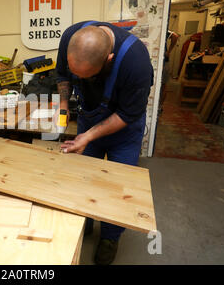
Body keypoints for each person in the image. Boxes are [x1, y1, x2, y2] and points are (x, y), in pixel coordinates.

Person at [56, 21, 153, 265]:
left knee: (116, 188)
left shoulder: (136, 62)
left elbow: (128, 114)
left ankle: (110, 237)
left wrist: (87, 137)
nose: (77, 77)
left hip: (124, 128)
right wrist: (64, 107)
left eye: (85, 75)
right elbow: (62, 76)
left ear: (108, 59)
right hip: (90, 118)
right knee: (87, 176)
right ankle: (85, 221)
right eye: (75, 71)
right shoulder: (71, 37)